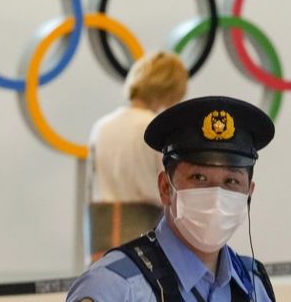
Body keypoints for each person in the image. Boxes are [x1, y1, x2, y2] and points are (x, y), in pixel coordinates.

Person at [68, 96, 277, 302]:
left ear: (249, 194)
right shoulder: (114, 288)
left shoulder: (253, 285)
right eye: (199, 177)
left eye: (231, 181)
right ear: (166, 187)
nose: (216, 196)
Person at [87, 51, 188, 261]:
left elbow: (92, 185)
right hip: (145, 233)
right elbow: (169, 187)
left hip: (102, 235)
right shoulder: (154, 128)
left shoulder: (102, 127)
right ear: (170, 89)